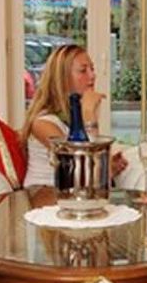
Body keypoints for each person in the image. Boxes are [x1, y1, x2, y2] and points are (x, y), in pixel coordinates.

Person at [19, 44, 128, 187]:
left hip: (73, 194)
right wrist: (89, 115)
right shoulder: (43, 123)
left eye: (92, 69)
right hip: (44, 194)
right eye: (83, 70)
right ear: (62, 78)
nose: (92, 75)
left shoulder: (72, 117)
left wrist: (109, 169)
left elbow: (91, 176)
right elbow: (81, 169)